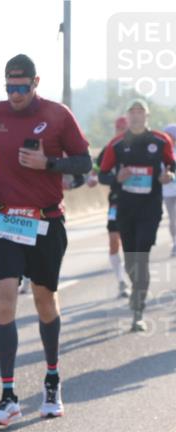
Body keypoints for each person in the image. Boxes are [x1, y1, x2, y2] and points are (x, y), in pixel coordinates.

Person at [0, 54, 91, 425]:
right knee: (4, 302)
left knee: (45, 301)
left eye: (21, 87)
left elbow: (84, 162)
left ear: (35, 82)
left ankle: (52, 379)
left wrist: (49, 165)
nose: (14, 94)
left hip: (45, 222)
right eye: (9, 86)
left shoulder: (58, 115)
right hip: (5, 219)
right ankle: (8, 395)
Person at [97, 99, 176, 331]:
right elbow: (102, 175)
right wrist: (116, 179)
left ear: (147, 116)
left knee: (142, 256)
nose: (136, 115)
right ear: (128, 117)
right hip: (125, 208)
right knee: (131, 259)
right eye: (132, 111)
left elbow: (172, 165)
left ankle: (138, 310)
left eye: (140, 111)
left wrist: (169, 175)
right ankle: (136, 293)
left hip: (149, 209)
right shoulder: (117, 144)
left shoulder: (161, 141)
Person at [88, 116, 131, 298]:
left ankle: (135, 276)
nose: (121, 131)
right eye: (118, 128)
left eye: (124, 128)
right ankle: (121, 280)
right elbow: (98, 168)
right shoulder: (111, 146)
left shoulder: (144, 145)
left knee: (132, 243)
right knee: (114, 238)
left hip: (140, 201)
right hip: (116, 198)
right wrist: (93, 177)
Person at [162, 124, 176, 257]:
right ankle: (174, 241)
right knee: (172, 220)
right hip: (167, 192)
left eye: (169, 135)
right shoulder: (162, 152)